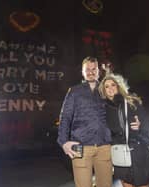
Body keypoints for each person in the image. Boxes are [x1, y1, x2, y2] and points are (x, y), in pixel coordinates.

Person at [57, 56, 113, 187]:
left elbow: (119, 110)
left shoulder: (106, 90)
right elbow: (65, 117)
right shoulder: (74, 91)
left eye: (94, 69)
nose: (91, 72)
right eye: (87, 69)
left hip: (104, 147)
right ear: (82, 72)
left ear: (99, 71)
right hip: (81, 147)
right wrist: (63, 141)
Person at [98, 73, 149, 187]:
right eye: (106, 86)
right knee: (126, 183)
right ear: (104, 90)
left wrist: (140, 126)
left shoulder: (131, 102)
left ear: (118, 86)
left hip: (136, 149)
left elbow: (146, 121)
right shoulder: (103, 109)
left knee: (143, 182)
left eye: (113, 85)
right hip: (119, 150)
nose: (110, 88)